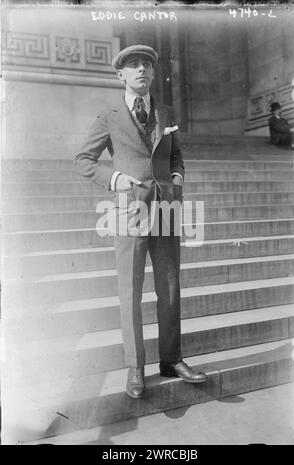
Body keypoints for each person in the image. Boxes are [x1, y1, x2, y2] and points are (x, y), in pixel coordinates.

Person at [74, 44, 208, 398]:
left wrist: (177, 178)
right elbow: (83, 159)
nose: (141, 71)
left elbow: (176, 155)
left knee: (170, 287)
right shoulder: (110, 115)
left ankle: (171, 359)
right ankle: (135, 368)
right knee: (130, 290)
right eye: (133, 66)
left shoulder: (165, 111)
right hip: (128, 209)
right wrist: (114, 179)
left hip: (165, 208)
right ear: (121, 74)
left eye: (146, 65)